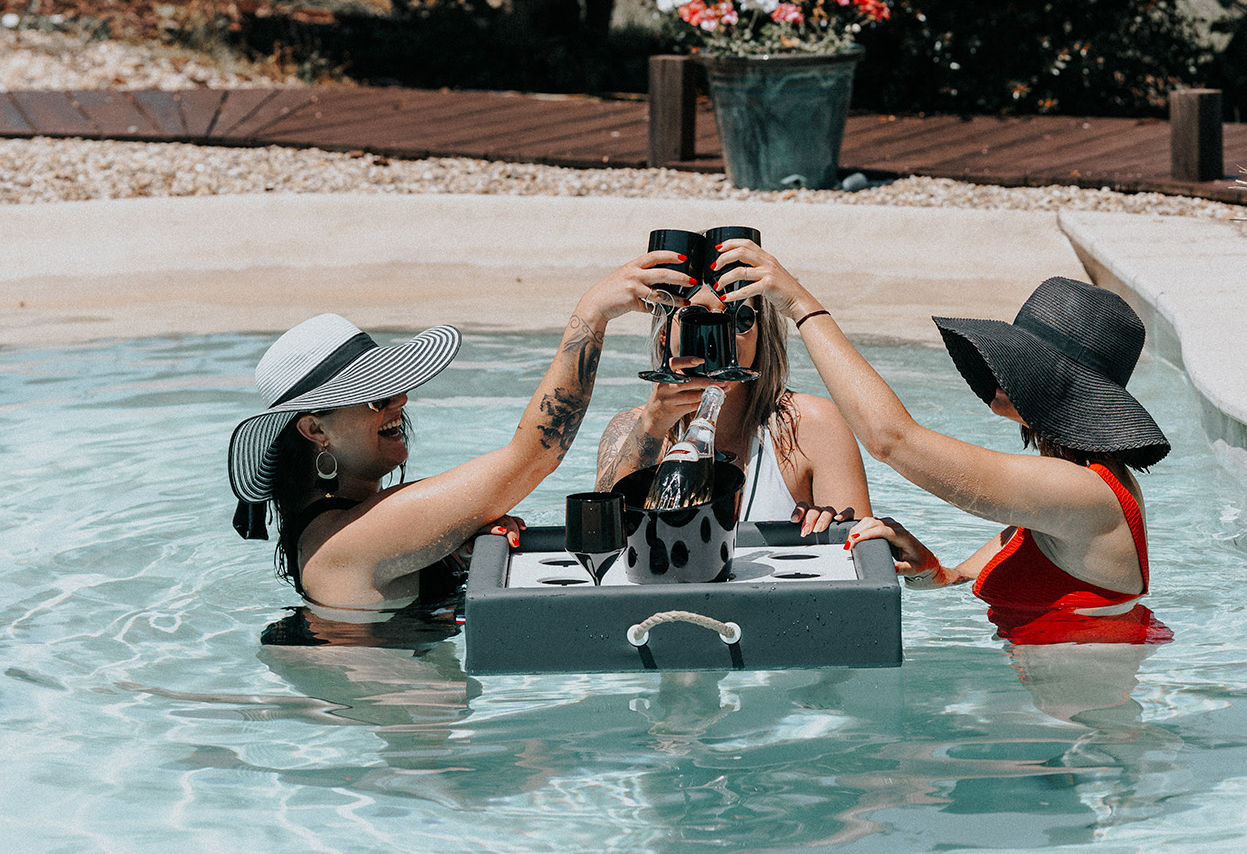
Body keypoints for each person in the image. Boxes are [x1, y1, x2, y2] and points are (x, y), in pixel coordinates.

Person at [715, 243, 1171, 646]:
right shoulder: (1068, 491)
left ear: (1059, 387)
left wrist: (800, 305)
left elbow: (891, 439)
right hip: (1058, 719)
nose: (997, 370)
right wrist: (931, 569)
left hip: (1081, 735)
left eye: (1019, 362)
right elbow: (960, 579)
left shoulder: (1082, 493)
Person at [227, 253, 692, 619]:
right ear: (314, 430)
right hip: (408, 724)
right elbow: (531, 458)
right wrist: (593, 313)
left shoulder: (343, 526)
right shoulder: (340, 539)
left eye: (393, 388)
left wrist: (457, 552)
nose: (399, 403)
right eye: (374, 398)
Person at [593, 278, 871, 532]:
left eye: (739, 319)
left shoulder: (813, 425)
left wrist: (827, 527)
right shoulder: (631, 428)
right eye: (696, 318)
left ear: (762, 332)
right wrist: (652, 428)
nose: (718, 337)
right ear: (665, 332)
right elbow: (598, 535)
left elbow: (860, 561)